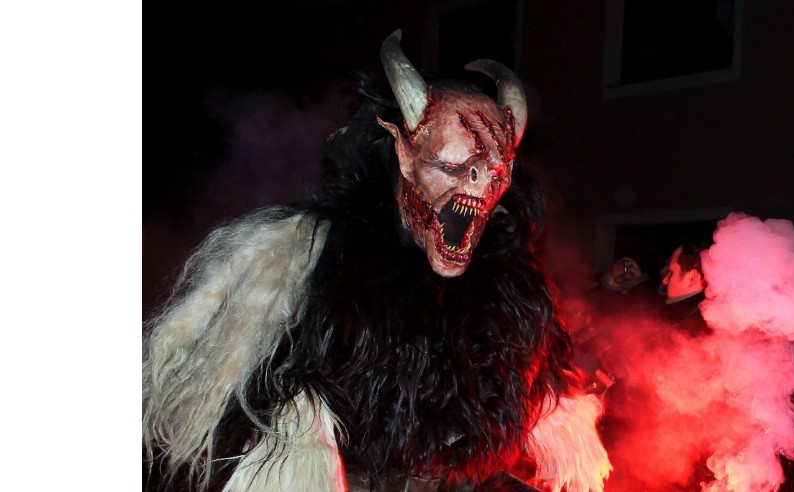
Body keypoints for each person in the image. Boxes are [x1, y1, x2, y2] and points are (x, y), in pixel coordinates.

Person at [142, 30, 610, 492]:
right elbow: (255, 385)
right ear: (404, 153)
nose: (477, 184)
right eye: (451, 166)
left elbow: (527, 391)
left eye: (494, 174)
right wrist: (300, 438)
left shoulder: (510, 288)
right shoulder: (315, 260)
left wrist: (553, 414)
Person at [659, 239, 713, 337]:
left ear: (692, 278)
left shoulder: (691, 330)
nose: (664, 280)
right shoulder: (708, 318)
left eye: (671, 273)